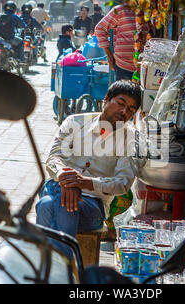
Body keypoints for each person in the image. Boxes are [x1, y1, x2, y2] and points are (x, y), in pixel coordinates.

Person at [36, 80, 141, 261]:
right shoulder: (74, 122)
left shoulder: (130, 138)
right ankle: (65, 272)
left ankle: (52, 270)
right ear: (106, 99)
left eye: (131, 110)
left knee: (46, 204)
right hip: (59, 186)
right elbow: (54, 158)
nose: (124, 112)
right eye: (121, 103)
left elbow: (122, 183)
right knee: (57, 198)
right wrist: (65, 178)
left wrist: (84, 182)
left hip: (94, 207)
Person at [94, 4, 137, 81]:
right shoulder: (120, 10)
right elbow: (99, 29)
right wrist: (109, 55)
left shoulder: (149, 12)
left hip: (145, 67)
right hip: (123, 67)